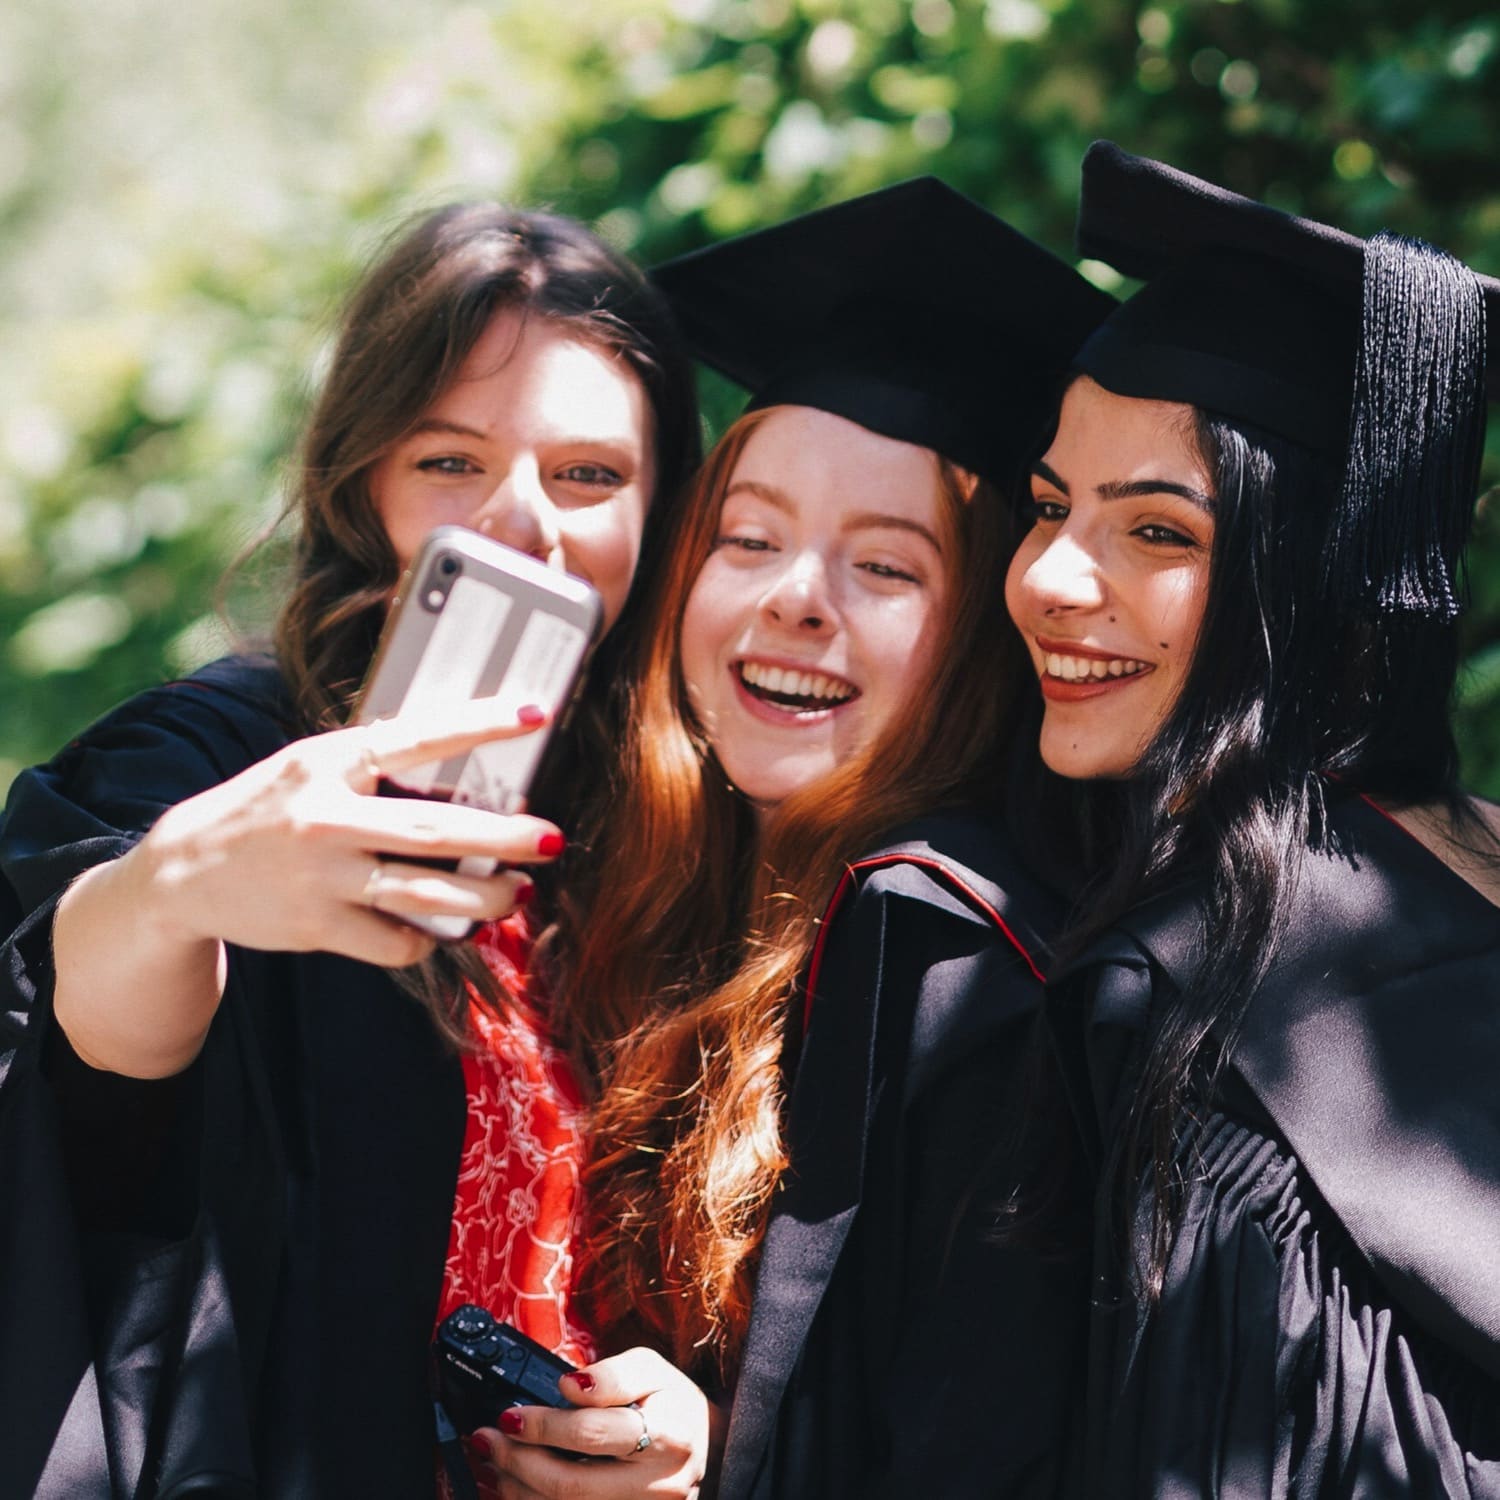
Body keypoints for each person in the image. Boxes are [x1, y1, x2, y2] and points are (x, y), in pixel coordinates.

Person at [0, 202, 698, 1498]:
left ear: (662, 515)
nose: (522, 519)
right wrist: (173, 894)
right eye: (450, 461)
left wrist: (662, 1428)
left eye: (591, 474)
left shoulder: (660, 828)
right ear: (360, 481)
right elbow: (77, 1051)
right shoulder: (217, 761)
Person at [472, 178, 1114, 1499]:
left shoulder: (975, 973)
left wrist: (735, 1456)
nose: (797, 601)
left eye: (886, 567)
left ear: (990, 630)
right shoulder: (607, 887)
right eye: (748, 538)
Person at [1005, 142, 1500, 1495]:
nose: (1050, 576)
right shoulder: (1468, 861)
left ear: (1318, 585)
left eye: (1157, 532)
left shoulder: (1201, 1002)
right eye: (1049, 506)